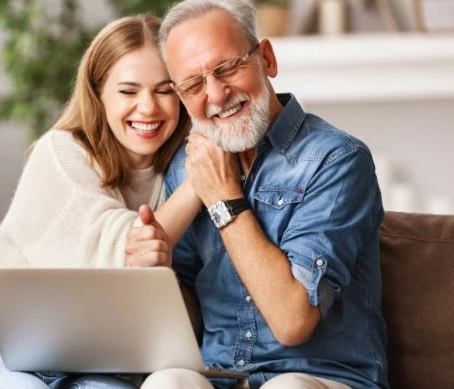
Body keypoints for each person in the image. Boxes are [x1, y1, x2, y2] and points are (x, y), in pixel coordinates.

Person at [0, 14, 203, 389]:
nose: (148, 108)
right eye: (128, 91)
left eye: (165, 90)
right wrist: (205, 180)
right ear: (98, 94)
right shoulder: (61, 153)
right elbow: (125, 247)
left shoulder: (175, 173)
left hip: (91, 368)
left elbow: (176, 317)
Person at [127, 1, 389, 388]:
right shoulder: (186, 167)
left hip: (322, 379)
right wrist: (155, 277)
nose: (216, 95)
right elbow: (187, 314)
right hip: (221, 377)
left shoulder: (337, 160)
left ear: (266, 58)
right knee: (167, 381)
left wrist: (223, 198)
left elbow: (292, 321)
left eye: (228, 67)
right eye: (194, 84)